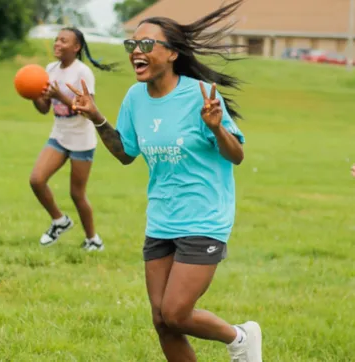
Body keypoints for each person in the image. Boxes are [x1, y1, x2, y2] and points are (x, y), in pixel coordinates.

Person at [68, 1, 262, 360]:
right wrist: (96, 117)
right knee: (162, 321)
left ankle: (240, 338)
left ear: (172, 53)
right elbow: (126, 153)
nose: (135, 53)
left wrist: (217, 128)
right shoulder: (134, 98)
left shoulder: (201, 94)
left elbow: (236, 155)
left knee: (175, 312)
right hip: (161, 219)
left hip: (204, 218)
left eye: (146, 45)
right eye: (132, 46)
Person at [30, 27, 115, 251]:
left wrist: (61, 95)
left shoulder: (82, 73)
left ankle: (93, 240)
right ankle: (60, 221)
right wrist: (32, 94)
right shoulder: (50, 69)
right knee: (36, 180)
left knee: (77, 194)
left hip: (81, 140)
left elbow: (89, 110)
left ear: (76, 47)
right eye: (57, 39)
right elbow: (43, 108)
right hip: (59, 136)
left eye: (64, 41)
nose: (57, 43)